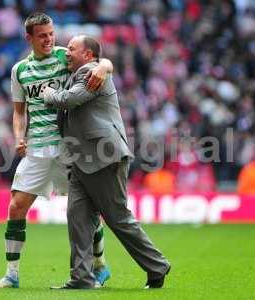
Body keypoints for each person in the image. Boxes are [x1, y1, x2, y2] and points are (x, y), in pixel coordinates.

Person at [0, 13, 112, 289]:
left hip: (68, 146)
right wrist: (19, 137)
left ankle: (100, 265)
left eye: (51, 33)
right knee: (16, 207)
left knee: (86, 209)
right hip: (36, 148)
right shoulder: (19, 70)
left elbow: (98, 59)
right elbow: (19, 112)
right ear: (29, 38)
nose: (49, 39)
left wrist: (104, 66)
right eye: (42, 35)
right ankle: (11, 274)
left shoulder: (63, 57)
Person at [43, 35, 171, 289]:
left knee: (118, 218)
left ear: (88, 55)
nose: (67, 52)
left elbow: (68, 100)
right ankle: (81, 278)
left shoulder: (93, 72)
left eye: (72, 48)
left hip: (104, 157)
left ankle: (157, 266)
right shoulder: (82, 72)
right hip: (83, 159)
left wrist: (49, 93)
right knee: (78, 218)